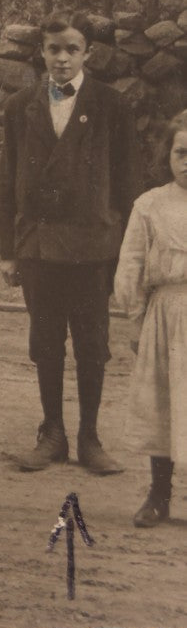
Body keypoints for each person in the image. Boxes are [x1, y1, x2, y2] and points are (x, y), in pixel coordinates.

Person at [0, 12, 138, 475]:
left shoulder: (110, 105)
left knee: (93, 343)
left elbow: (127, 181)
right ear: (42, 51)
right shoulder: (21, 105)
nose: (61, 58)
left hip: (92, 246)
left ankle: (90, 438)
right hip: (38, 245)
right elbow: (7, 178)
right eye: (53, 49)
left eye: (71, 49)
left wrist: (124, 251)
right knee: (46, 341)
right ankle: (51, 432)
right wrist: (8, 250)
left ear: (87, 54)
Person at [114, 112, 187, 527]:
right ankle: (159, 494)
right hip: (166, 313)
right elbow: (132, 262)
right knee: (163, 402)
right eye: (181, 152)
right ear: (169, 155)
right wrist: (136, 318)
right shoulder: (151, 204)